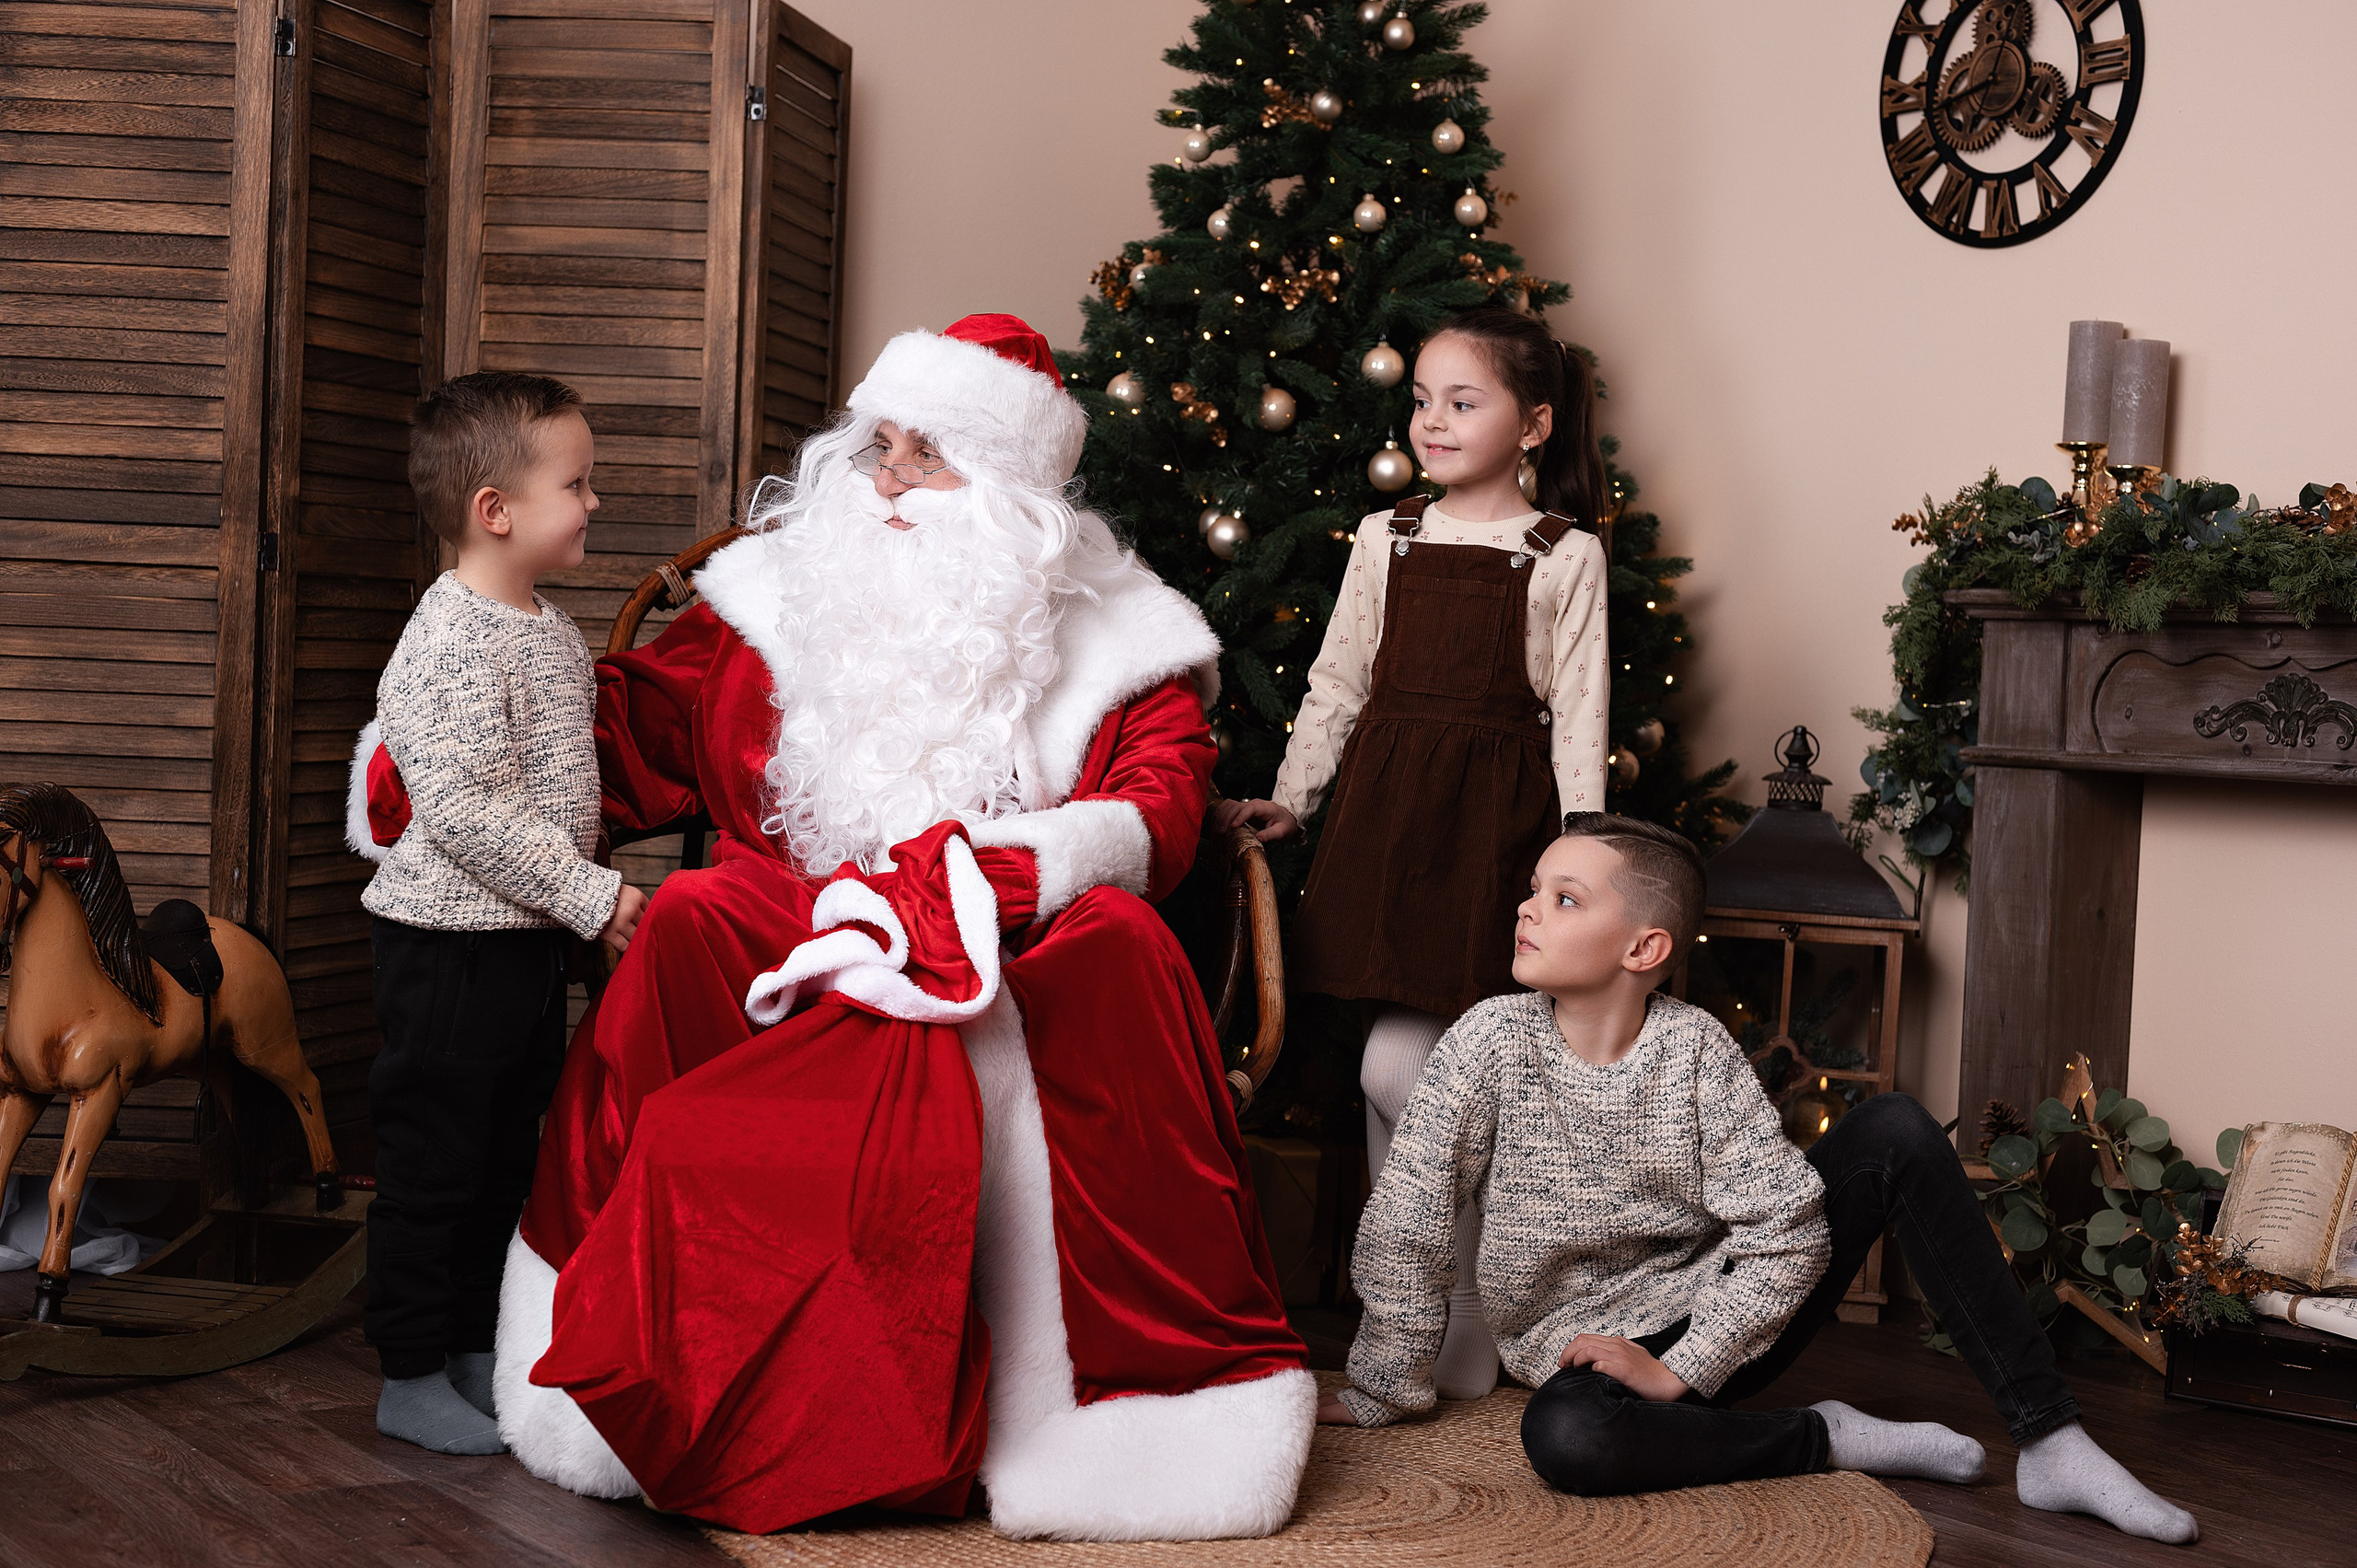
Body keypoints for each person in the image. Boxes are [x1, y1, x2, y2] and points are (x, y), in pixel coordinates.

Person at [463, 316, 1315, 1539]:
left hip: (1009, 949)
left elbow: (1158, 805)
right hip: (803, 923)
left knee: (1118, 948)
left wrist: (989, 877)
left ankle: (1115, 1420)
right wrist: (464, 750)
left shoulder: (1127, 634)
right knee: (695, 909)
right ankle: (617, 1368)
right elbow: (631, 732)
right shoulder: (781, 590)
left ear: (1011, 484)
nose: (892, 478)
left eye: (933, 453)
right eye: (882, 446)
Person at [1321, 814, 2201, 1547]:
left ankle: (2052, 1438)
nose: (1528, 909)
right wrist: (1383, 1383)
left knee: (1895, 1127)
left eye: (1565, 898)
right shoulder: (1486, 1041)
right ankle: (1823, 1435)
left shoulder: (1696, 1050)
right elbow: (1409, 1217)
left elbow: (1789, 1229)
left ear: (1644, 946)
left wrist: (1685, 1364)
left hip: (1722, 1318)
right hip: (1576, 1357)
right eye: (1533, 889)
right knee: (1567, 1434)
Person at [1214, 306, 1609, 1400]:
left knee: (1410, 1071)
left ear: (1532, 425)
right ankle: (1430, 1313)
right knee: (1402, 1073)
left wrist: (1577, 861)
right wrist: (1295, 797)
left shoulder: (1561, 552)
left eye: (1462, 401)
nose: (1432, 420)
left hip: (1492, 836)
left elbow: (1580, 712)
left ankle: (1452, 1311)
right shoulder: (1384, 535)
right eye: (1422, 399)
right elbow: (1338, 681)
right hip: (1388, 824)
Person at [352, 372, 647, 1457]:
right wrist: (591, 896)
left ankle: (475, 1343)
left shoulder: (549, 631)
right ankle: (409, 1368)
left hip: (519, 945)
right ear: (496, 510)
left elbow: (559, 788)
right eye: (577, 483)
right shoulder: (450, 640)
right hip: (445, 947)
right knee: (434, 1159)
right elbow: (468, 810)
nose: (595, 501)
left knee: (501, 1153)